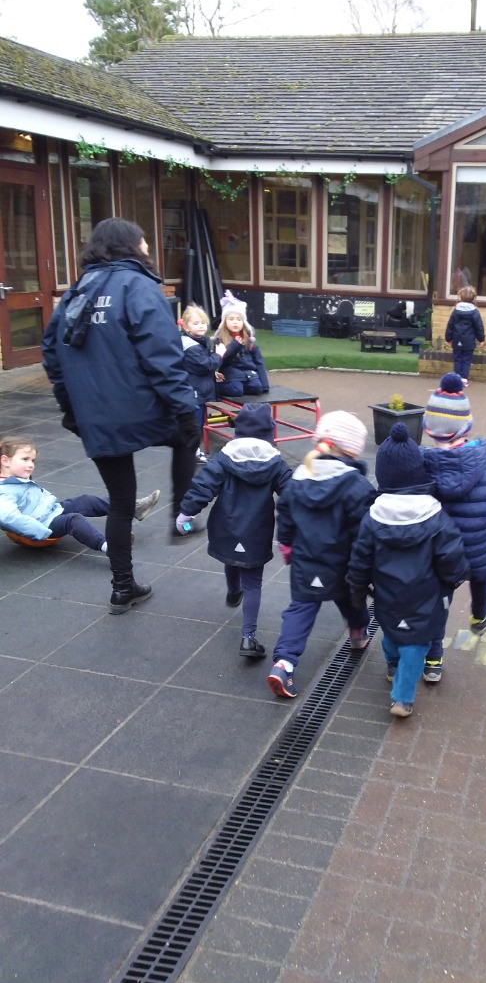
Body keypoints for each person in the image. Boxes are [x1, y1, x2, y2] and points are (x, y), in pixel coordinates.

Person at [41, 217, 201, 614]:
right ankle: (183, 514)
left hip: (96, 417)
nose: (148, 248)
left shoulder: (76, 292)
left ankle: (122, 587)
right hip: (140, 408)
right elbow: (163, 356)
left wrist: (70, 411)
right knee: (186, 438)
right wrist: (184, 409)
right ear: (133, 245)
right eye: (145, 241)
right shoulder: (139, 286)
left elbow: (51, 354)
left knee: (121, 501)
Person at [348, 423, 468, 719]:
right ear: (418, 471)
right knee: (416, 643)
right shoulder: (435, 515)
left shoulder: (373, 517)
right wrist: (455, 578)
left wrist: (357, 588)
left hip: (387, 594)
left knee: (391, 631)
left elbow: (360, 558)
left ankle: (391, 665)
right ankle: (402, 697)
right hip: (425, 596)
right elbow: (450, 555)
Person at [268, 411, 376, 699]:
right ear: (352, 449)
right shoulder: (358, 487)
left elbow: (286, 514)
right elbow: (364, 531)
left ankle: (284, 663)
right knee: (352, 600)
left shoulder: (299, 477)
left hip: (305, 561)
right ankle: (357, 634)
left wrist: (287, 546)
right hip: (343, 564)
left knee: (301, 609)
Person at [175, 403, 292, 659]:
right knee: (253, 583)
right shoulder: (275, 463)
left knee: (231, 558)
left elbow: (203, 486)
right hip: (257, 531)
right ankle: (248, 637)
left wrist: (186, 513)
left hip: (226, 527)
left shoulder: (224, 459)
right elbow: (292, 493)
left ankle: (231, 590)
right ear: (269, 433)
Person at [421, 373, 486, 681]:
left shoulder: (420, 464)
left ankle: (433, 662)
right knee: (479, 575)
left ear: (427, 428)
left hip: (439, 552)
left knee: (439, 600)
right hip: (478, 545)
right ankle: (479, 615)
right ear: (467, 426)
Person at [0, 435, 160, 552]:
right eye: (25, 459)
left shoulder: (15, 479)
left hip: (50, 511)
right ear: (5, 461)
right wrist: (39, 531)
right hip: (41, 526)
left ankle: (134, 508)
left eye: (33, 460)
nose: (31, 465)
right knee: (73, 520)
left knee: (85, 501)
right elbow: (9, 517)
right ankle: (109, 547)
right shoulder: (4, 491)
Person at [179, 303, 228, 465]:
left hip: (199, 388)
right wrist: (219, 355)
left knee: (198, 423)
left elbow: (198, 367)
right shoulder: (191, 346)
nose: (200, 326)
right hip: (194, 392)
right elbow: (204, 364)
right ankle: (191, 453)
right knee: (195, 424)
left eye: (202, 323)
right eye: (195, 323)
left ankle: (192, 451)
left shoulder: (199, 340)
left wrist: (212, 373)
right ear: (186, 326)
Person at [213, 290, 270, 398]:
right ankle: (216, 387)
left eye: (239, 319)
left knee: (257, 387)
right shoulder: (219, 339)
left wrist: (265, 384)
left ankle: (247, 385)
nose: (235, 322)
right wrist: (234, 346)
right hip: (231, 373)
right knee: (236, 390)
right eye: (231, 319)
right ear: (225, 322)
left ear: (243, 322)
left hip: (248, 372)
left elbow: (259, 361)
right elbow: (221, 360)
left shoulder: (249, 340)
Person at [444, 286, 484, 386]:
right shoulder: (474, 312)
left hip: (457, 338)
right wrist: (481, 339)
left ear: (460, 297)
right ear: (473, 298)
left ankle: (457, 379)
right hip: (469, 340)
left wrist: (448, 338)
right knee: (466, 360)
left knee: (457, 359)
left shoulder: (456, 311)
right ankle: (464, 379)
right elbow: (479, 326)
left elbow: (450, 325)